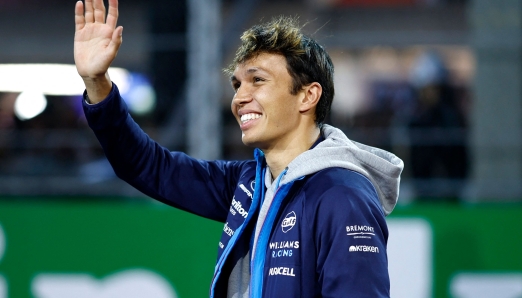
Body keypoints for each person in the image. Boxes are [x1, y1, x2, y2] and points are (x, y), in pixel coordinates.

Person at [74, 0, 404, 297]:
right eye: (237, 84)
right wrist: (97, 83)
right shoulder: (251, 183)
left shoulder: (342, 196)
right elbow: (148, 166)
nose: (239, 97)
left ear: (308, 96)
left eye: (257, 80)